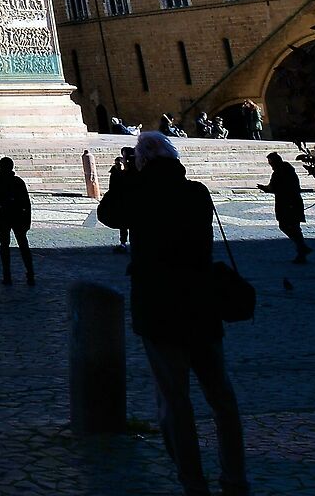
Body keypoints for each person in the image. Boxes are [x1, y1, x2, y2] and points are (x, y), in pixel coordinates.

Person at [99, 132, 250, 496]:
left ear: (143, 161)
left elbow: (107, 214)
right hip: (202, 306)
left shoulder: (137, 192)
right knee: (223, 400)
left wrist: (126, 176)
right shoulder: (197, 193)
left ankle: (192, 482)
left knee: (175, 403)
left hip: (160, 311)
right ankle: (234, 478)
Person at [0, 157, 35, 285]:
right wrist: (27, 221)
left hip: (2, 217)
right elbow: (26, 203)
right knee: (23, 245)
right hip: (18, 217)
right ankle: (30, 274)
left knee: (4, 246)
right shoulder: (18, 181)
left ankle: (7, 276)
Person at [262, 153, 310, 263]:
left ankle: (301, 247)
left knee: (285, 225)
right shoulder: (289, 171)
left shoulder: (279, 173)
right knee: (295, 227)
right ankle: (301, 250)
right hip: (295, 201)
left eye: (270, 163)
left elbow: (274, 187)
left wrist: (265, 189)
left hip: (286, 203)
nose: (270, 165)